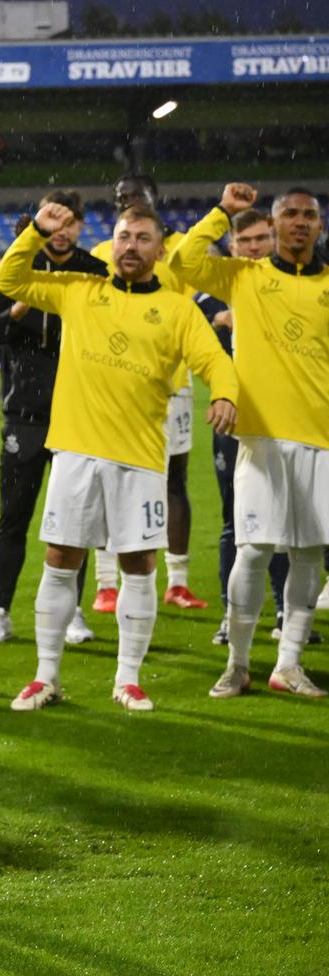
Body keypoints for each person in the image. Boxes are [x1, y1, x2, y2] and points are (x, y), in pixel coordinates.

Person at [0, 199, 237, 713]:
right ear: (113, 242)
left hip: (140, 460)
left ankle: (127, 679)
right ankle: (46, 676)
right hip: (77, 453)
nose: (131, 246)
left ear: (158, 248)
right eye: (124, 236)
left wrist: (224, 392)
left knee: (139, 565)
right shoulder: (82, 291)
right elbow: (11, 281)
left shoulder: (175, 309)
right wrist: (37, 230)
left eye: (143, 238)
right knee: (60, 561)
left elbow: (214, 359)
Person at [176, 186, 328, 699]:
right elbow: (183, 260)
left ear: (319, 227)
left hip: (321, 441)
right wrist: (222, 212)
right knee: (254, 551)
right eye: (291, 214)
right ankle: (237, 664)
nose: (300, 223)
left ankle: (288, 664)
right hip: (262, 438)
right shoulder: (243, 277)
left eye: (310, 215)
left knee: (310, 555)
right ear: (276, 224)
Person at [0, 191, 104, 647]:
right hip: (25, 414)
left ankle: (74, 614)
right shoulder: (15, 268)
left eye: (72, 222)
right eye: (57, 220)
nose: (64, 230)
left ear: (81, 227)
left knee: (76, 524)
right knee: (13, 519)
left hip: (78, 417)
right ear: (44, 223)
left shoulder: (94, 272)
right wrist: (15, 311)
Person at [90, 172, 206, 611]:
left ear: (157, 198)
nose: (128, 201)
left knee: (173, 480)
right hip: (117, 387)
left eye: (136, 195)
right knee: (109, 479)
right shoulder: (103, 254)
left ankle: (177, 580)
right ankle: (106, 584)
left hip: (171, 387)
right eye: (121, 198)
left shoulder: (177, 255)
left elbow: (195, 309)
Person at [197, 207, 274, 645]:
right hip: (232, 419)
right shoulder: (210, 298)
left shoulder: (290, 287)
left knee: (289, 526)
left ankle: (284, 610)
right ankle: (231, 617)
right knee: (235, 520)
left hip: (286, 419)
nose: (253, 248)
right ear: (231, 247)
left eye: (261, 240)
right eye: (244, 242)